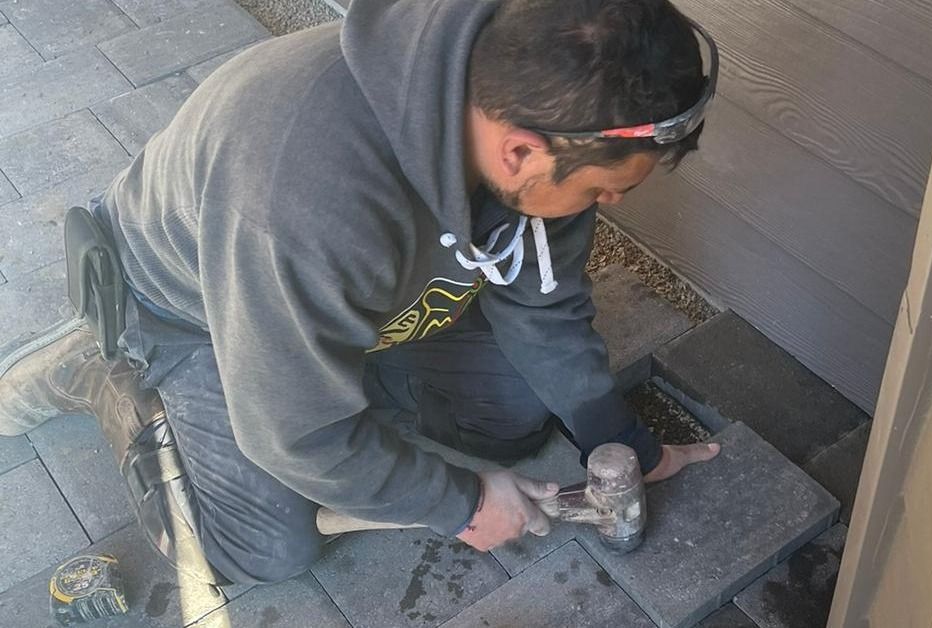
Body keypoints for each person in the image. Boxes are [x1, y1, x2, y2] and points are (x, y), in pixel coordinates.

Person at [0, 0, 720, 585]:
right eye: (604, 190)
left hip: (345, 297)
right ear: (520, 151)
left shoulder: (547, 114)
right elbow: (296, 435)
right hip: (191, 313)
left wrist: (625, 442)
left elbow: (545, 308)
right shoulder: (303, 198)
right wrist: (461, 503)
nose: (610, 204)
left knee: (511, 413)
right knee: (264, 548)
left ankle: (322, 369)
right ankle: (109, 373)